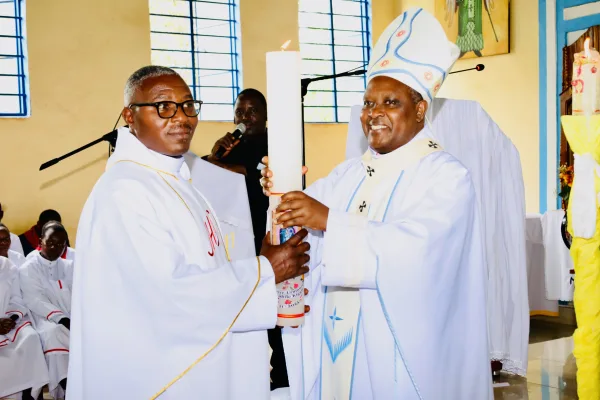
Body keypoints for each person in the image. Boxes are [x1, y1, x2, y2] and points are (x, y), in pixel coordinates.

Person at [260, 8, 492, 399]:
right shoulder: (348, 174)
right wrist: (282, 193)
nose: (374, 114)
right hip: (337, 339)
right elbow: (298, 233)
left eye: (390, 102)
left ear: (420, 109)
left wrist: (329, 220)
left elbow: (420, 254)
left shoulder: (446, 176)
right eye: (368, 103)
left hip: (395, 350)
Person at [68, 65, 310, 399]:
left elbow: (205, 267)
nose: (182, 117)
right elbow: (170, 298)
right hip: (158, 378)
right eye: (164, 107)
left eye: (188, 105)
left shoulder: (174, 178)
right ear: (129, 116)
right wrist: (264, 271)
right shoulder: (125, 192)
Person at [204, 88, 292, 392]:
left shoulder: (276, 144)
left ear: (265, 117)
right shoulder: (231, 147)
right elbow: (208, 179)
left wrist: (214, 164)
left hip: (268, 235)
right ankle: (242, 380)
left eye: (253, 111)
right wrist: (215, 155)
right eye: (240, 111)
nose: (246, 117)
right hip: (235, 240)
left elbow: (250, 177)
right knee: (240, 307)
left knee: (273, 310)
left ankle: (282, 380)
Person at [20, 221, 72, 400]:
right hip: (43, 318)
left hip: (69, 317)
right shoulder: (28, 267)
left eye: (60, 244)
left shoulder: (69, 266)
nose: (55, 248)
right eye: (50, 243)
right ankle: (66, 387)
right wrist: (61, 318)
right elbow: (34, 299)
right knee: (53, 334)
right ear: (40, 241)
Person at [0, 256, 49, 400]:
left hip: (6, 320)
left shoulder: (6, 265)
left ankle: (30, 394)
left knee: (31, 337)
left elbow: (17, 298)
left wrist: (11, 319)